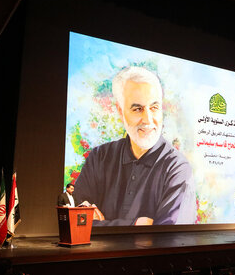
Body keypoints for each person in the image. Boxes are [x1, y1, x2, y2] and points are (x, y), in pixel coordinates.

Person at [75, 66, 196, 226]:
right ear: (120, 111)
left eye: (154, 107)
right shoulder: (100, 157)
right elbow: (76, 223)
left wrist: (102, 226)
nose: (147, 119)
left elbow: (168, 240)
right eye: (137, 109)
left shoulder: (177, 169)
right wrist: (136, 226)